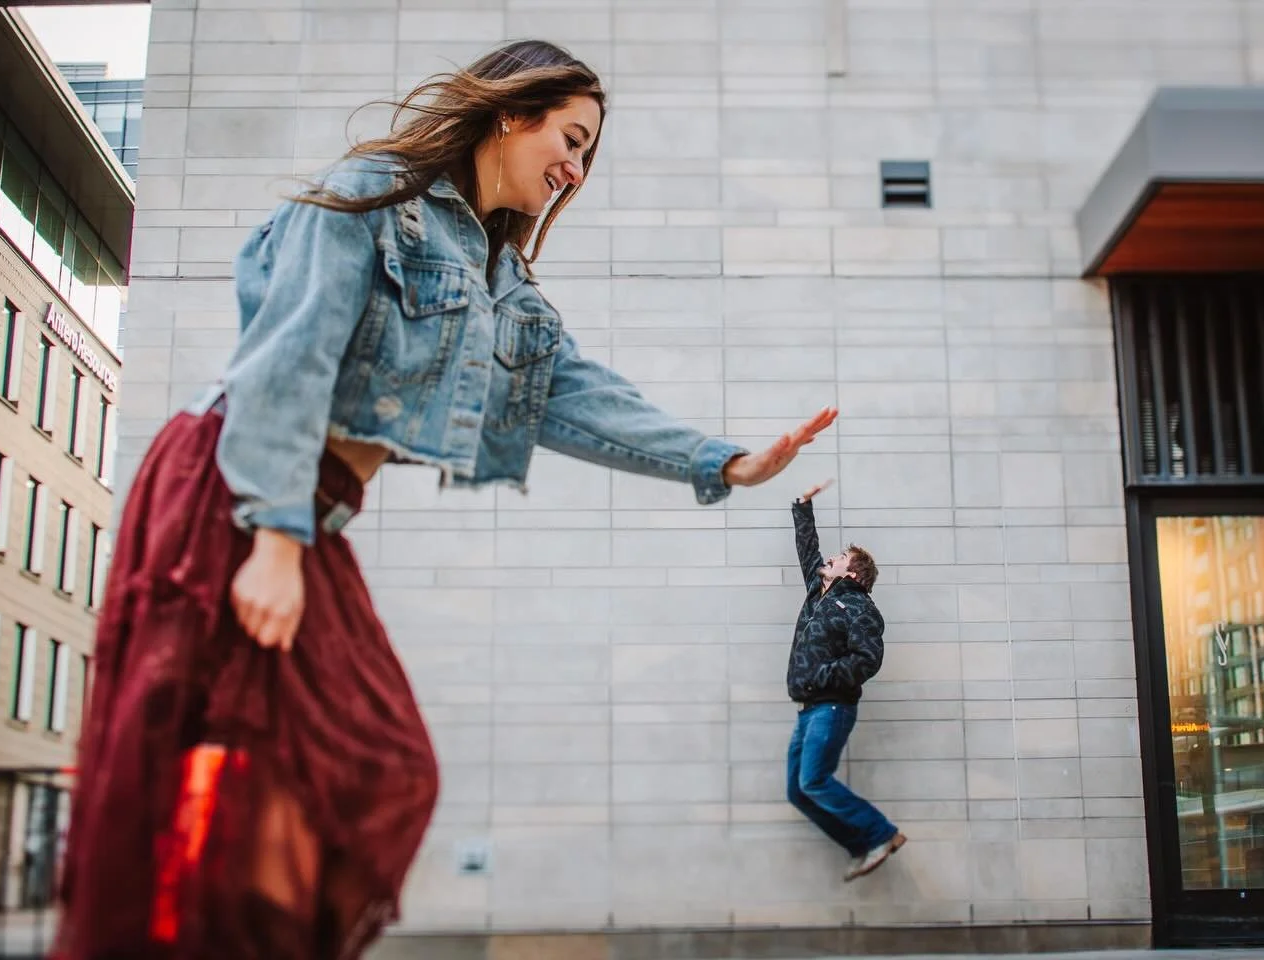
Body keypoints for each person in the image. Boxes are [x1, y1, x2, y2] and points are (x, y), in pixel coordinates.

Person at [56, 39, 838, 960]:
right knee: (219, 759)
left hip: (306, 512)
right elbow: (289, 356)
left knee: (375, 768)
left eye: (589, 154)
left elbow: (576, 396)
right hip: (236, 486)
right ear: (511, 112)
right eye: (572, 138)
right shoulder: (373, 194)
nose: (577, 170)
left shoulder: (498, 277)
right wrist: (272, 536)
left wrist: (728, 461)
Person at [784, 479, 905, 882]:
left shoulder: (858, 607)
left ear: (851, 572)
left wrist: (823, 676)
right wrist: (802, 506)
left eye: (838, 557)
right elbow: (808, 552)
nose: (829, 558)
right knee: (798, 790)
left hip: (833, 706)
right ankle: (862, 845)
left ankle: (881, 834)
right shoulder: (820, 595)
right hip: (810, 709)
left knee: (814, 780)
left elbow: (868, 659)